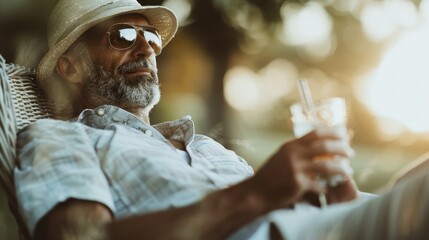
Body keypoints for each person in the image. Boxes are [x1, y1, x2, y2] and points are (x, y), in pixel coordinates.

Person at [13, 0, 429, 239]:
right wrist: (257, 193)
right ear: (71, 67)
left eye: (151, 38)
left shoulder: (207, 147)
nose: (146, 49)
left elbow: (324, 208)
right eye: (123, 35)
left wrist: (333, 188)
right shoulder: (60, 138)